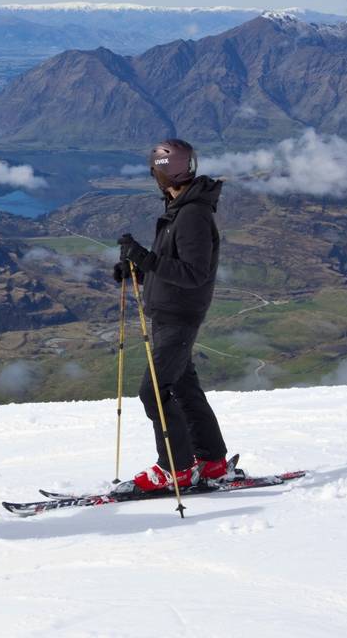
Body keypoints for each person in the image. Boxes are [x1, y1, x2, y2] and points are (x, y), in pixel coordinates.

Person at [114, 138, 231, 492]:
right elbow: (175, 264)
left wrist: (146, 259)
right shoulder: (181, 208)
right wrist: (137, 267)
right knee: (183, 385)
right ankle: (211, 462)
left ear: (163, 174)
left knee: (154, 391)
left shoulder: (192, 215)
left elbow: (194, 274)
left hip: (179, 315)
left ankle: (175, 470)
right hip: (172, 311)